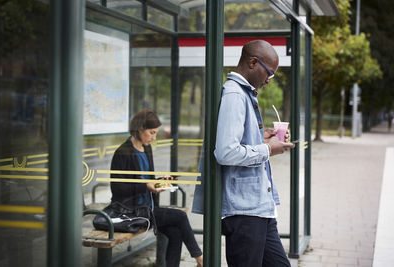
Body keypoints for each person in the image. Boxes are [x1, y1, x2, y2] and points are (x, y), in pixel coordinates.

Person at [194, 40, 295, 266]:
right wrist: (268, 149)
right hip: (244, 212)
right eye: (269, 73)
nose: (269, 80)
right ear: (252, 62)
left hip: (259, 208)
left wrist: (262, 139)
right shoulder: (234, 95)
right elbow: (226, 152)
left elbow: (238, 143)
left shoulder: (244, 94)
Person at [110, 110, 203, 267]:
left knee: (175, 233)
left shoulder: (146, 149)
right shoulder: (123, 152)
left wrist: (161, 182)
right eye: (151, 133)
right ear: (140, 129)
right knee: (180, 217)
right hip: (130, 211)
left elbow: (149, 181)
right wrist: (146, 186)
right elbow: (117, 188)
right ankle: (200, 258)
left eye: (156, 133)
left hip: (147, 208)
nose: (154, 137)